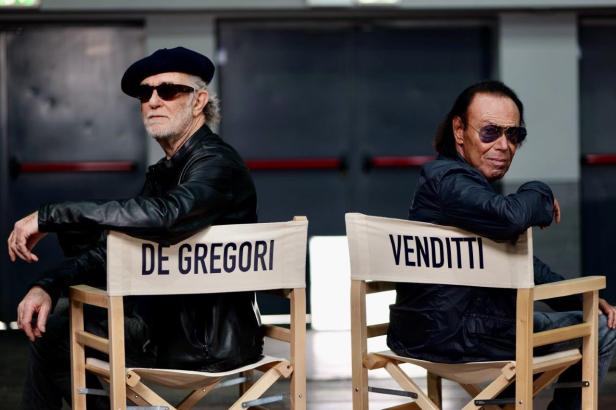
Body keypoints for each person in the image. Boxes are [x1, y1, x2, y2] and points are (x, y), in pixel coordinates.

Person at [7, 46, 263, 410]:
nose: (153, 101)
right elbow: (113, 250)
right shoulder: (168, 171)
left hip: (205, 343)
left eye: (168, 90)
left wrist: (54, 215)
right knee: (54, 322)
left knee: (57, 332)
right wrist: (47, 284)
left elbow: (166, 216)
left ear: (199, 101)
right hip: (167, 329)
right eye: (145, 93)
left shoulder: (217, 164)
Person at [387, 80, 616, 410]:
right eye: (490, 132)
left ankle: (502, 404)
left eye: (514, 135)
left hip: (442, 330)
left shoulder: (463, 187)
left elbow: (524, 264)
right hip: (461, 335)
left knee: (591, 320)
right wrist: (539, 190)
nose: (504, 145)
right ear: (459, 131)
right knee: (601, 330)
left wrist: (583, 301)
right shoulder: (448, 180)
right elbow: (511, 216)